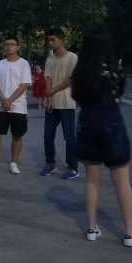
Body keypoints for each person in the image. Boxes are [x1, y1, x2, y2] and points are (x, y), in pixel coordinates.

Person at [71, 32, 132, 247]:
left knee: (92, 180)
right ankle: (129, 234)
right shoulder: (114, 70)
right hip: (112, 123)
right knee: (122, 181)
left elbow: (77, 98)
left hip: (87, 123)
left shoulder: (81, 72)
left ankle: (92, 229)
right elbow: (119, 95)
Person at [0, 38, 32, 175]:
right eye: (6, 44)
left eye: (12, 44)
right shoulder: (0, 64)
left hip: (18, 106)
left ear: (18, 47)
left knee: (17, 135)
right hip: (0, 105)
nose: (8, 47)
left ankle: (13, 163)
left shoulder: (24, 64)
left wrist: (10, 100)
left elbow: (23, 85)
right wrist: (3, 100)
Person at [41, 28, 79, 180]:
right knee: (48, 135)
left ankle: (73, 167)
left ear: (62, 40)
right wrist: (49, 97)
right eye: (48, 40)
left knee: (69, 137)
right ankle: (50, 163)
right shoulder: (50, 59)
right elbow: (47, 78)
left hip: (67, 103)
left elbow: (71, 79)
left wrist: (53, 91)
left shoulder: (72, 57)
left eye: (53, 40)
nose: (50, 43)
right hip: (52, 104)